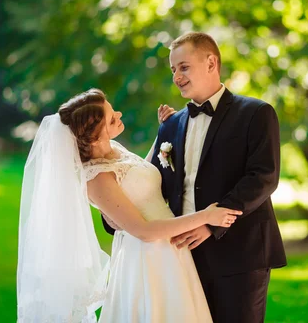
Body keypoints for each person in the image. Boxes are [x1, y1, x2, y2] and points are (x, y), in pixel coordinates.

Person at [105, 32, 287, 323]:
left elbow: (263, 177)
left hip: (239, 252)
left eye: (184, 67)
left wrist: (209, 224)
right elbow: (154, 184)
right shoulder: (170, 125)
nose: (177, 76)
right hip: (180, 256)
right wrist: (116, 215)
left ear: (211, 62)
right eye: (173, 69)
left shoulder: (256, 113)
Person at [16, 88, 242, 323]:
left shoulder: (114, 150)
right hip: (148, 258)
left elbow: (137, 178)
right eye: (112, 118)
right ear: (94, 137)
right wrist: (206, 217)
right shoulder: (97, 178)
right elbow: (144, 232)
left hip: (170, 248)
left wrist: (164, 131)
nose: (119, 115)